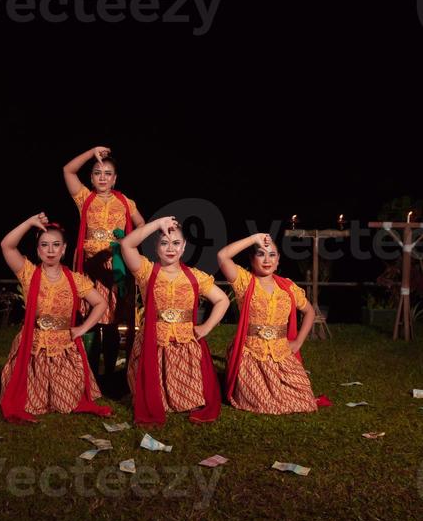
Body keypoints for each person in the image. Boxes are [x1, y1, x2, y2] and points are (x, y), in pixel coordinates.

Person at [0, 213, 112, 423]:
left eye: (56, 245)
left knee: (67, 403)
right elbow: (7, 245)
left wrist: (82, 329)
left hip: (63, 348)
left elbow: (101, 303)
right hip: (33, 346)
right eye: (45, 245)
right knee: (29, 403)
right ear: (38, 250)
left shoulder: (75, 280)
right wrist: (29, 222)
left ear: (64, 249)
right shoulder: (29, 273)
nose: (50, 250)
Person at [120, 216, 229, 425]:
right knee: (150, 397)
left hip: (184, 344)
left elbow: (222, 300)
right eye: (164, 243)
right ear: (156, 247)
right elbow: (126, 244)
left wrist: (206, 326)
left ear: (184, 246)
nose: (171, 248)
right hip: (153, 343)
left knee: (190, 400)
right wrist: (158, 224)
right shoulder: (146, 271)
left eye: (176, 243)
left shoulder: (195, 276)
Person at [63, 145, 145, 382]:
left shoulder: (125, 202)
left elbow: (141, 225)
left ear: (115, 178)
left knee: (112, 321)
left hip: (116, 267)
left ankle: (109, 376)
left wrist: (126, 240)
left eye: (107, 173)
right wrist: (91, 153)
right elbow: (68, 170)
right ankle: (88, 374)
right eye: (97, 172)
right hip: (90, 267)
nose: (102, 177)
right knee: (89, 318)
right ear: (90, 177)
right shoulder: (84, 198)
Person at [217, 232, 318, 414]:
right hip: (252, 355)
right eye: (261, 253)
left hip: (281, 353)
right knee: (262, 402)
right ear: (252, 258)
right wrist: (254, 238)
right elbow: (222, 256)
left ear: (278, 259)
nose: (267, 259)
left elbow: (309, 311)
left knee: (306, 400)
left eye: (272, 255)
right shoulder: (245, 282)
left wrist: (298, 342)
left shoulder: (287, 287)